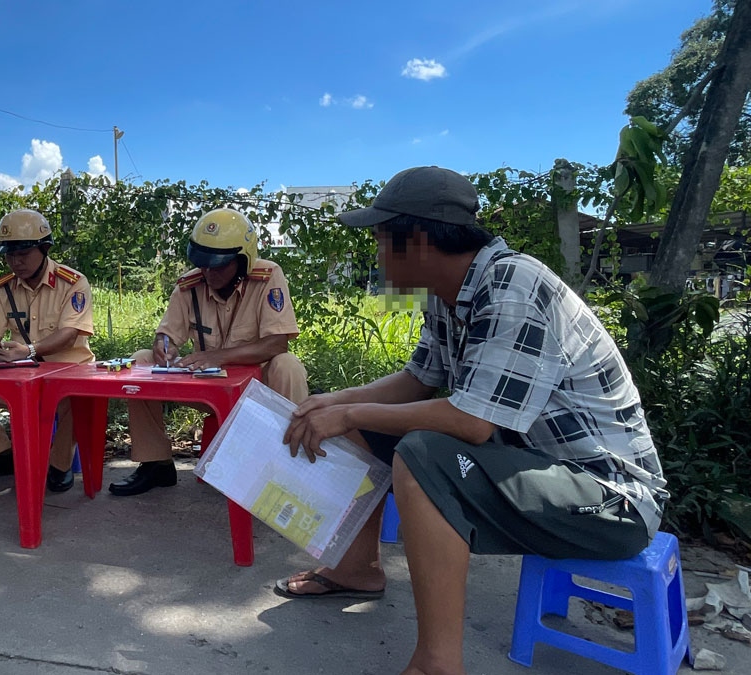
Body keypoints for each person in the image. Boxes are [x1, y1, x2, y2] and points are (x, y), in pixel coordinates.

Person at [274, 166, 668, 675]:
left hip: (608, 500)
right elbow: (419, 380)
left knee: (423, 455)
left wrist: (348, 410)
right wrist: (336, 404)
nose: (373, 253)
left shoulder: (513, 286)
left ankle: (438, 664)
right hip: (529, 468)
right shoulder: (449, 294)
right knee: (357, 425)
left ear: (415, 240)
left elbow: (473, 423)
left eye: (379, 239)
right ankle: (358, 568)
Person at [111, 207, 309, 496]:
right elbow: (167, 334)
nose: (208, 272)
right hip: (207, 387)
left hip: (255, 388)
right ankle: (156, 464)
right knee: (141, 360)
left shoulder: (268, 277)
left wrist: (217, 356)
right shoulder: (189, 285)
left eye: (218, 265)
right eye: (203, 263)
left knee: (287, 365)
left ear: (243, 261)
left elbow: (277, 343)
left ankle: (290, 469)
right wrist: (164, 347)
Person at [0, 209, 94, 492]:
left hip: (68, 372)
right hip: (20, 375)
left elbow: (70, 333)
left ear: (44, 248)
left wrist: (28, 349)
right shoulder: (3, 289)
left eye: (23, 254)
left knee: (80, 396)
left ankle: (59, 464)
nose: (16, 262)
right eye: (9, 255)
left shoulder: (73, 282)